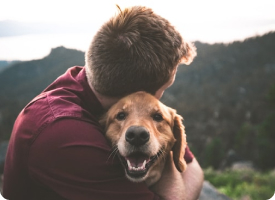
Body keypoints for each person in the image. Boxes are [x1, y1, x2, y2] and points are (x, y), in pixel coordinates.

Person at [2, 6, 204, 200]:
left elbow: (193, 168)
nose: (158, 99)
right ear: (138, 93)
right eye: (164, 88)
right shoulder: (65, 135)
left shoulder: (91, 83)